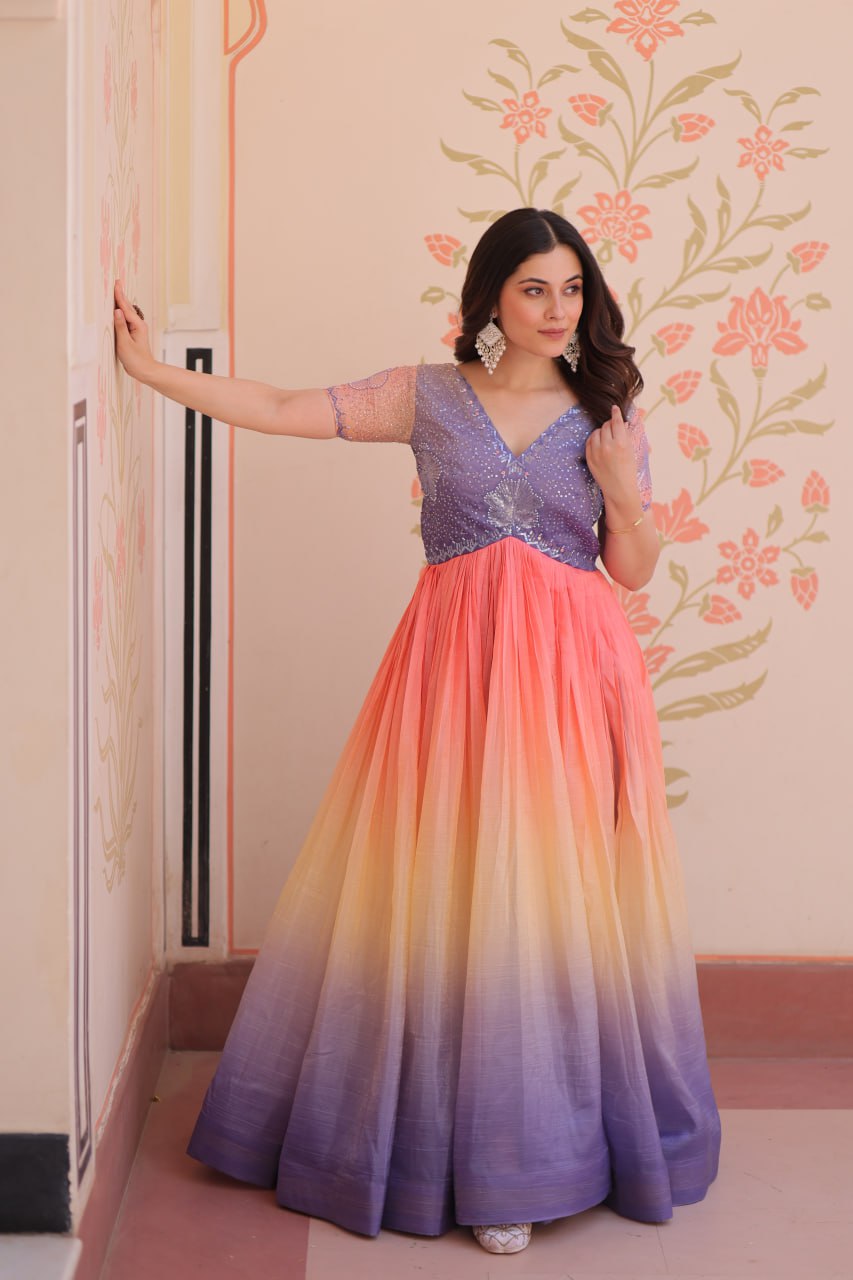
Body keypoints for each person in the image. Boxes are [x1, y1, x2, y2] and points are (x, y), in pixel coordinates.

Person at [114, 207, 721, 1257]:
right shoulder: (429, 395)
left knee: (543, 892)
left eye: (572, 288)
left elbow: (629, 571)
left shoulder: (607, 408)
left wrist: (625, 494)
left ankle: (523, 1160)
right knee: (448, 884)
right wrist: (152, 372)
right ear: (492, 296)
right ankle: (446, 1137)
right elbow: (282, 404)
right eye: (534, 288)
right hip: (450, 671)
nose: (557, 309)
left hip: (571, 675)